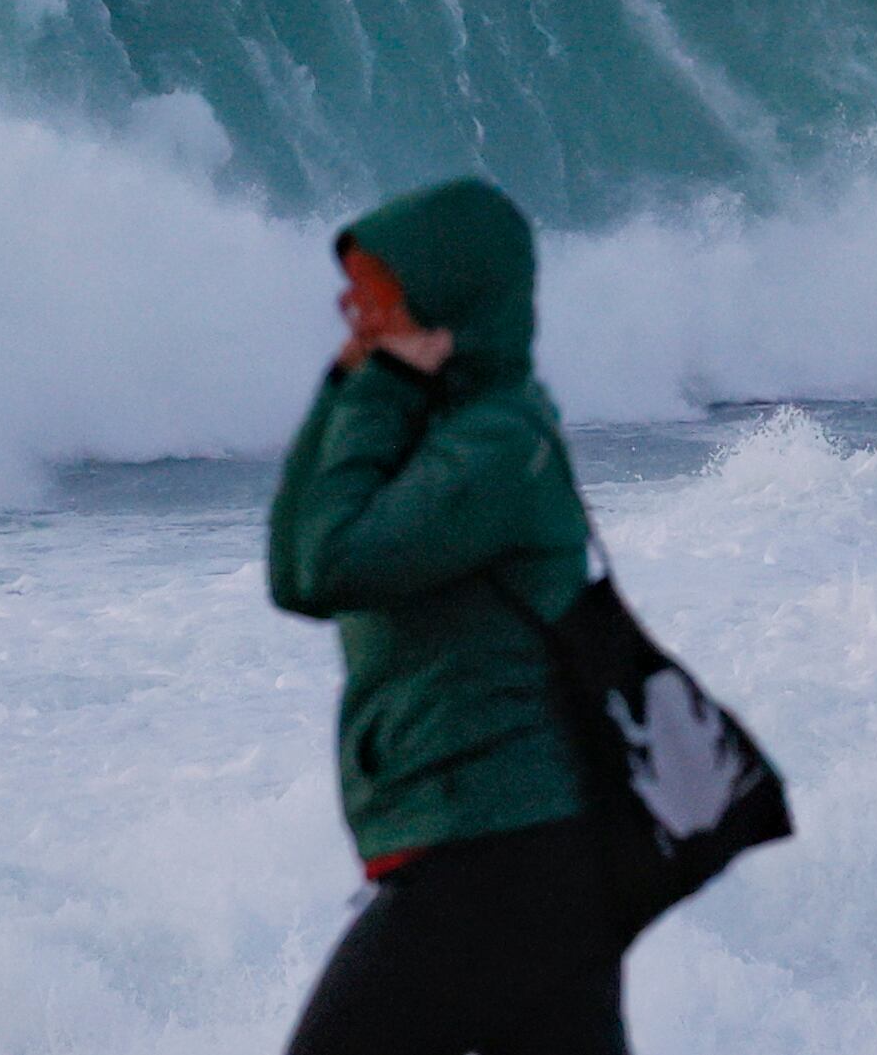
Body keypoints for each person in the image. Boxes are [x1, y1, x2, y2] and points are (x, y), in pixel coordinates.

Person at [267, 177, 626, 1055]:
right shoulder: (439, 428)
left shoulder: (497, 444)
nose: (349, 305)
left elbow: (329, 563)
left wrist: (376, 387)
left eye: (376, 290)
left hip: (501, 844)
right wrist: (348, 386)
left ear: (441, 305)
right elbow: (291, 565)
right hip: (508, 842)